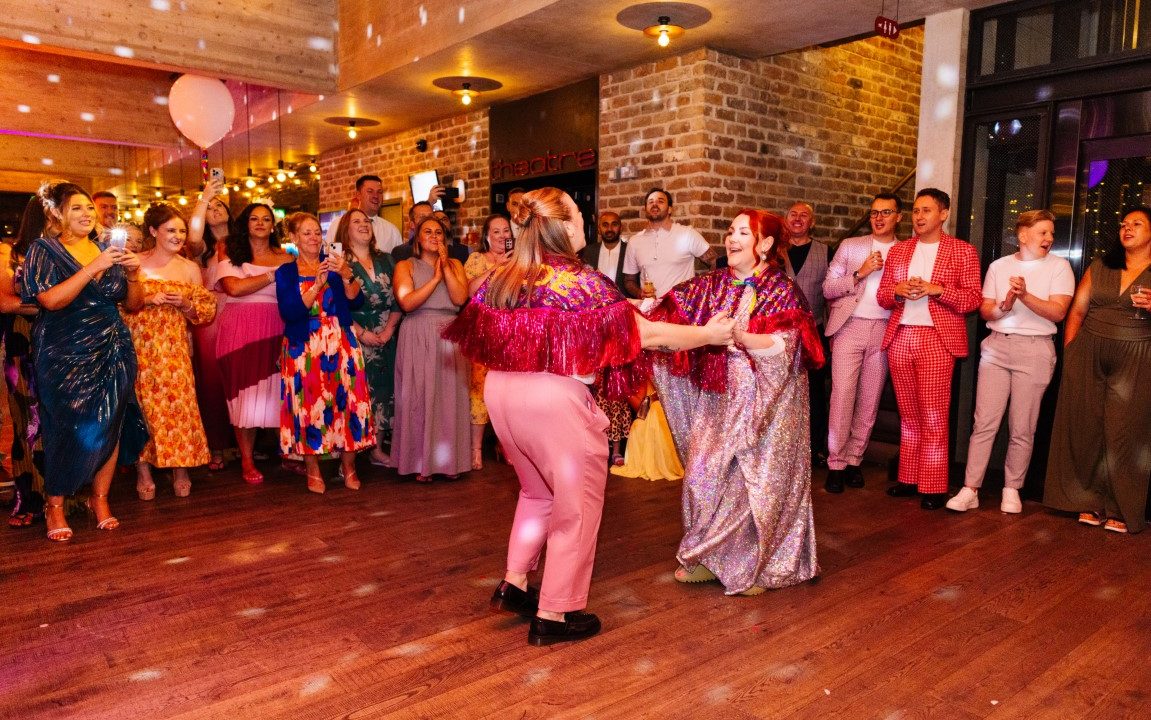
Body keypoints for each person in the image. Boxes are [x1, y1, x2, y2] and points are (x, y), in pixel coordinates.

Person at [444, 186, 735, 645]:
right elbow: (647, 335)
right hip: (553, 401)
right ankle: (556, 614)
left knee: (536, 493)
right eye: (579, 215)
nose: (586, 222)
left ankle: (515, 582)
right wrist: (708, 333)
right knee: (575, 508)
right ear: (561, 225)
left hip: (502, 393)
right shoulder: (578, 279)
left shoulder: (505, 276)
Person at [648, 209, 823, 595]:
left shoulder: (782, 290)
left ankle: (755, 565)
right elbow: (668, 313)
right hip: (720, 397)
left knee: (753, 482)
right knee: (701, 473)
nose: (731, 238)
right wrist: (635, 311)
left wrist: (740, 336)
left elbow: (787, 347)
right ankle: (707, 556)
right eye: (729, 230)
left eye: (743, 232)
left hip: (768, 405)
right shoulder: (710, 284)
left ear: (764, 244)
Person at [21, 181, 147, 542]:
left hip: (113, 344)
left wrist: (135, 273)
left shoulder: (108, 248)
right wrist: (95, 267)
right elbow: (50, 301)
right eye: (76, 208)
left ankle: (101, 500)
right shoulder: (44, 249)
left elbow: (133, 304)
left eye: (90, 208)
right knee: (65, 426)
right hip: (63, 349)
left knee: (112, 421)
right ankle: (55, 505)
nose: (87, 214)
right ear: (58, 214)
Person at [947, 210, 1073, 513]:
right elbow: (987, 309)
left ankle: (1012, 489)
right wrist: (1006, 305)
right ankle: (970, 488)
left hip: (1036, 350)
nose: (1049, 239)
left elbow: (1058, 312)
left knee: (1022, 426)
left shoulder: (1060, 267)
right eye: (1043, 232)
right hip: (996, 348)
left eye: (1052, 234)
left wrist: (1025, 295)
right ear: (1023, 234)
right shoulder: (999, 266)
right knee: (984, 422)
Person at [1044, 207, 1151, 534]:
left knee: (1126, 432)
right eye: (1123, 224)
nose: (1127, 228)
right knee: (1085, 427)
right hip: (1088, 352)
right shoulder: (1101, 265)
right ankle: (1086, 501)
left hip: (1136, 356)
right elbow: (1076, 311)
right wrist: (1071, 352)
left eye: (1136, 224)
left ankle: (1121, 507)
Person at [877, 188, 982, 510]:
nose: (918, 217)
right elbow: (882, 297)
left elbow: (972, 299)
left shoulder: (962, 252)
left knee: (934, 416)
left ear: (943, 214)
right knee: (908, 417)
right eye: (916, 211)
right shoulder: (899, 252)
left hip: (937, 339)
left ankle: (934, 486)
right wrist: (896, 291)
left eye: (926, 211)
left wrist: (937, 290)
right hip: (900, 336)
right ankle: (908, 479)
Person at [124, 203, 217, 500]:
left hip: (174, 346)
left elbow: (204, 311)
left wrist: (185, 304)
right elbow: (118, 306)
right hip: (138, 344)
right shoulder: (133, 262)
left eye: (181, 230)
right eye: (171, 230)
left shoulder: (189, 268)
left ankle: (181, 468)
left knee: (179, 406)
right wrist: (148, 300)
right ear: (153, 231)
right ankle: (143, 471)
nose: (178, 236)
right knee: (141, 407)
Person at [276, 212, 375, 494]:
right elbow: (291, 312)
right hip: (303, 345)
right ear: (294, 238)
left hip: (341, 339)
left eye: (317, 233)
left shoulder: (333, 265)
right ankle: (313, 469)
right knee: (308, 407)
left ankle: (350, 466)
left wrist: (346, 275)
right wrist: (317, 285)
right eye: (306, 233)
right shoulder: (286, 272)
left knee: (350, 402)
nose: (313, 238)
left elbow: (357, 301)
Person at [821, 193, 902, 492]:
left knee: (869, 400)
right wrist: (860, 273)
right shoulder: (851, 246)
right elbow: (828, 288)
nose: (879, 218)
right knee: (842, 396)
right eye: (874, 213)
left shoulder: (906, 251)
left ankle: (855, 459)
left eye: (886, 212)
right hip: (849, 328)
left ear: (898, 217)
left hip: (884, 330)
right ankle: (836, 463)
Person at [215, 203, 294, 484]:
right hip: (239, 328)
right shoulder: (231, 253)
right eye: (254, 218)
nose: (260, 223)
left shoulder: (286, 257)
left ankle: (287, 453)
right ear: (245, 223)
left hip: (276, 325)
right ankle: (247, 460)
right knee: (243, 394)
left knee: (278, 391)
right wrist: (272, 274)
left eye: (266, 219)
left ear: (273, 225)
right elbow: (233, 288)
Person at [391, 216, 471, 481]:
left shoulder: (456, 264)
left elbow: (460, 298)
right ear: (417, 236)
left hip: (449, 334)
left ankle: (449, 463)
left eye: (439, 232)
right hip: (418, 331)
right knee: (420, 397)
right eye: (428, 231)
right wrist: (435, 278)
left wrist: (445, 268)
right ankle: (420, 463)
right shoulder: (405, 265)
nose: (434, 236)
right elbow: (407, 302)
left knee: (448, 397)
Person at [0, 198, 46, 528]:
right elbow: (5, 302)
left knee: (62, 421)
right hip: (24, 342)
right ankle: (30, 499)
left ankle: (64, 497)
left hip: (64, 342)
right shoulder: (12, 254)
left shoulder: (76, 251)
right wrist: (51, 305)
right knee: (28, 423)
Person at [345, 208, 401, 468]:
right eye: (356, 221)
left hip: (387, 333)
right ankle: (350, 454)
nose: (363, 224)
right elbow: (335, 305)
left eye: (366, 221)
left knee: (384, 389)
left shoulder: (387, 260)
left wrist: (388, 330)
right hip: (353, 333)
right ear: (346, 229)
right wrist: (362, 332)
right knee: (356, 392)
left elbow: (399, 299)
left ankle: (377, 448)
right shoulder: (339, 262)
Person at [186, 178, 234, 471]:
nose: (215, 209)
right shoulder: (201, 247)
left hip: (239, 311)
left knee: (238, 378)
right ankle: (216, 444)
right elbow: (192, 237)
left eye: (219, 205)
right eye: (210, 207)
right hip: (211, 318)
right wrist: (205, 197)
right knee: (213, 381)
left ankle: (245, 441)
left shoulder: (242, 244)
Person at [463, 214, 513, 469]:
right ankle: (476, 449)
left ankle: (505, 443)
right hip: (483, 331)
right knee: (479, 389)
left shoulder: (518, 260)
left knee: (509, 392)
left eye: (506, 230)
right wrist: (496, 267)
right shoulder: (476, 259)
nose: (502, 235)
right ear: (486, 236)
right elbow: (470, 291)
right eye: (496, 231)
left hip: (510, 332)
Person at [581, 211, 631, 464]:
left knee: (617, 382)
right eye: (605, 224)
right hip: (594, 322)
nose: (610, 228)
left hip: (621, 320)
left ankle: (617, 445)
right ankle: (595, 441)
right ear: (599, 228)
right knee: (595, 383)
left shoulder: (629, 250)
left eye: (614, 223)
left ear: (620, 227)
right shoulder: (588, 253)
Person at [783, 201, 831, 466]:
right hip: (778, 334)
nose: (798, 219)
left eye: (804, 216)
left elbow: (832, 296)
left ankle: (814, 450)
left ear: (812, 222)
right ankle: (785, 449)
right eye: (793, 214)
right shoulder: (774, 251)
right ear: (786, 219)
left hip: (815, 333)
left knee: (814, 393)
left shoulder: (826, 251)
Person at [622, 188, 716, 299]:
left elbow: (714, 262)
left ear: (670, 209)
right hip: (650, 311)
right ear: (645, 209)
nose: (655, 204)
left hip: (681, 310)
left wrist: (707, 290)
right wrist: (639, 293)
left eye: (660, 201)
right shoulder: (634, 241)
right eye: (650, 202)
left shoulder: (687, 234)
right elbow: (629, 280)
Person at [325, 174, 403, 254]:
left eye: (379, 192)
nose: (375, 196)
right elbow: (329, 257)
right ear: (358, 195)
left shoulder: (392, 231)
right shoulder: (338, 224)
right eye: (370, 191)